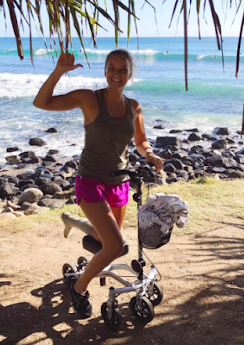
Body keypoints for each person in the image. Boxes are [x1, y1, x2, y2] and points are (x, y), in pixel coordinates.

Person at [33, 48, 164, 318]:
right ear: (105, 71)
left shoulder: (134, 106)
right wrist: (59, 71)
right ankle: (78, 288)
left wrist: (149, 154)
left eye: (123, 69)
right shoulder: (89, 99)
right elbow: (41, 102)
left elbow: (139, 141)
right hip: (90, 179)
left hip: (119, 181)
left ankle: (71, 220)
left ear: (130, 73)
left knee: (104, 238)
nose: (117, 74)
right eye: (112, 68)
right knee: (115, 246)